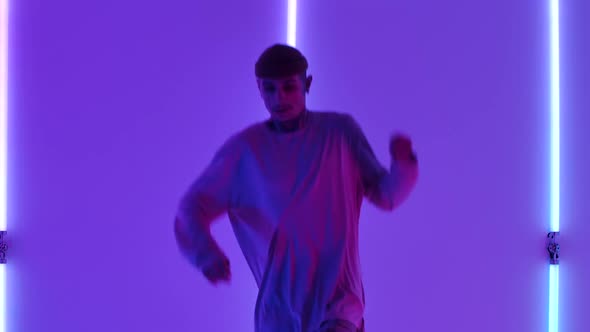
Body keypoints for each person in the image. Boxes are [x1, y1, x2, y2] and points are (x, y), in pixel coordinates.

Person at [174, 43, 419, 332]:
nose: (280, 98)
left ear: (307, 84)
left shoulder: (339, 133)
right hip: (280, 308)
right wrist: (205, 254)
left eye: (289, 87)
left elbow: (386, 194)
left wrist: (404, 164)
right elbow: (192, 206)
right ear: (259, 89)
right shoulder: (245, 152)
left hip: (338, 301)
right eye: (270, 89)